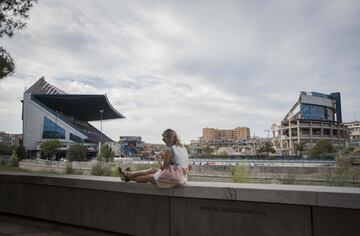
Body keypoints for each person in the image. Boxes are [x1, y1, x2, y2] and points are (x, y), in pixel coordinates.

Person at [118, 129, 189, 188]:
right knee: (152, 169)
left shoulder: (169, 150)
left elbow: (163, 169)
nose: (163, 141)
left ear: (169, 138)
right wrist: (168, 158)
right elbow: (177, 163)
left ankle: (128, 177)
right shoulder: (182, 148)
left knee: (149, 177)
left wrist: (158, 160)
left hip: (175, 179)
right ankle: (129, 174)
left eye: (164, 139)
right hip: (182, 176)